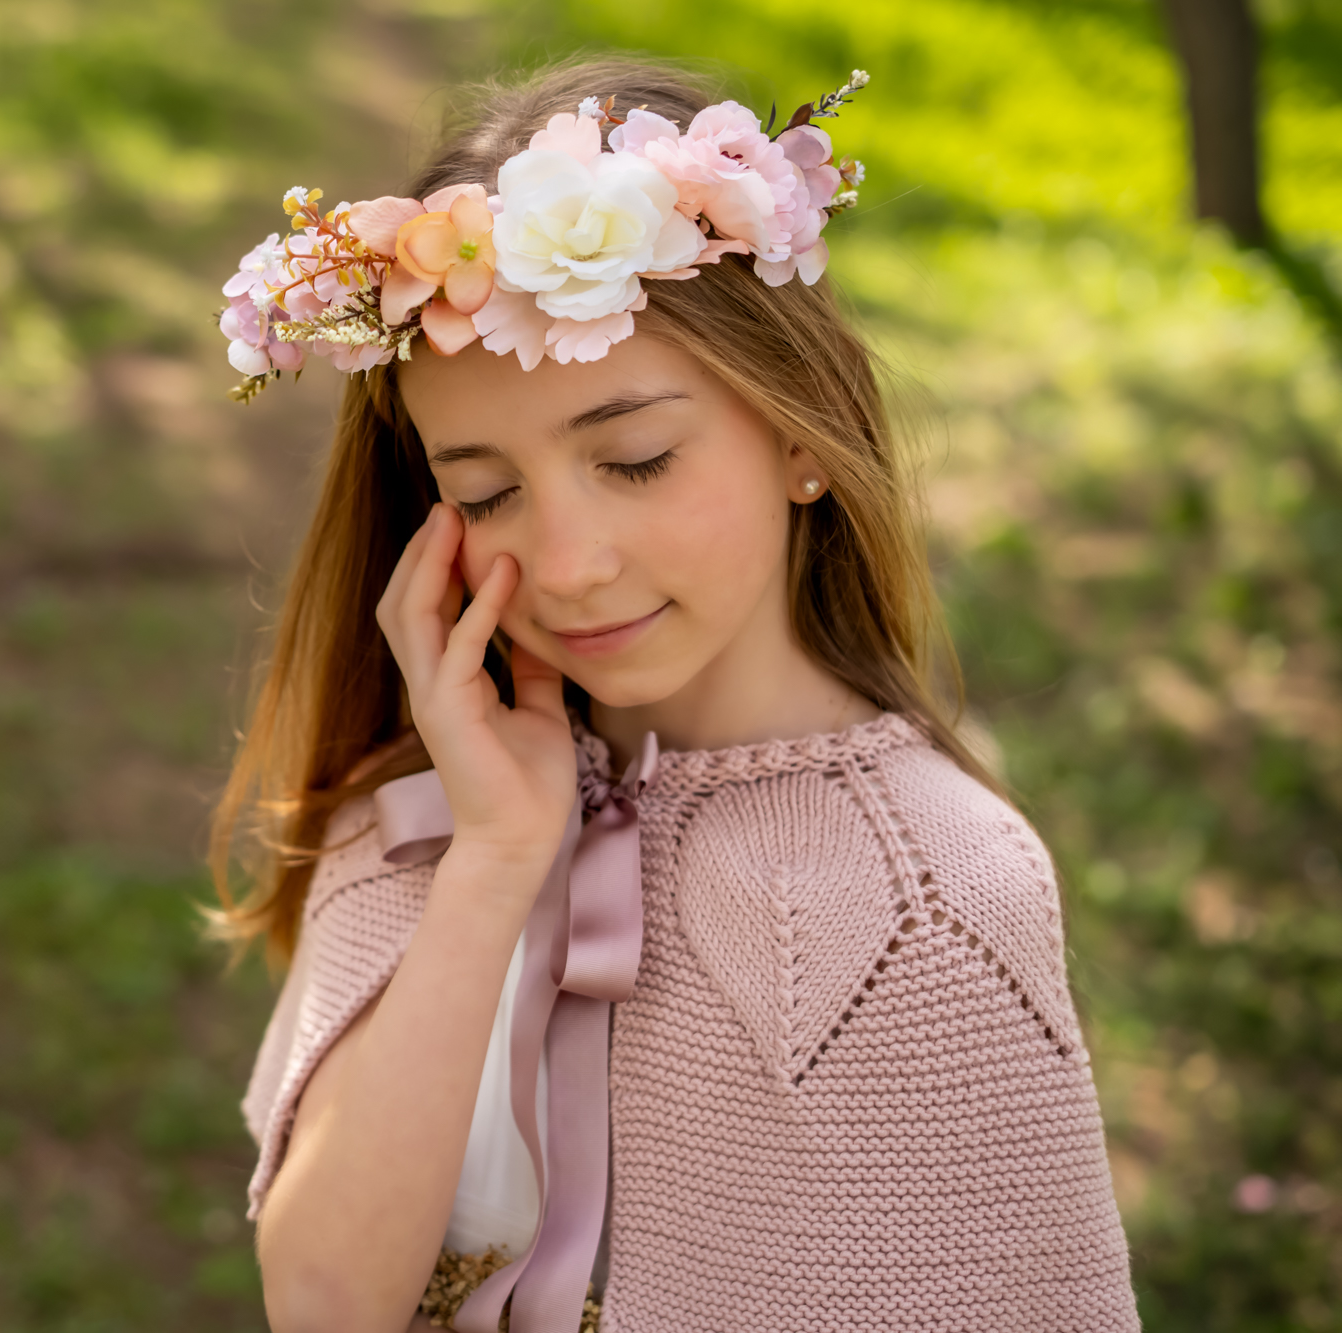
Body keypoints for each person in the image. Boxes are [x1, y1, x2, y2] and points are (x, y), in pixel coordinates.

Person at [210, 56, 1139, 1333]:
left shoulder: (931, 896)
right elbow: (320, 1306)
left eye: (634, 458)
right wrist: (492, 860)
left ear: (800, 434)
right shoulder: (413, 829)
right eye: (484, 493)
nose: (570, 564)